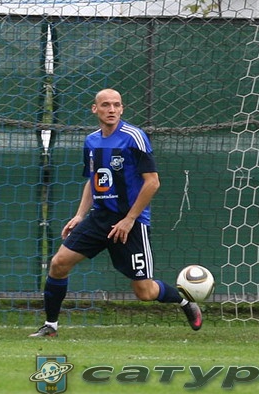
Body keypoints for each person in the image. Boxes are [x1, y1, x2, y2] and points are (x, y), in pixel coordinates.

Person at [29, 88, 202, 338]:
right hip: (99, 218)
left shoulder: (134, 137)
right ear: (95, 109)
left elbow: (152, 182)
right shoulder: (91, 141)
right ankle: (51, 326)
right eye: (106, 105)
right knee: (58, 264)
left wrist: (129, 219)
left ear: (122, 108)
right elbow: (93, 180)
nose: (111, 109)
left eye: (116, 105)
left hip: (131, 223)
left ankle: (185, 301)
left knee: (145, 292)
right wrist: (79, 215)